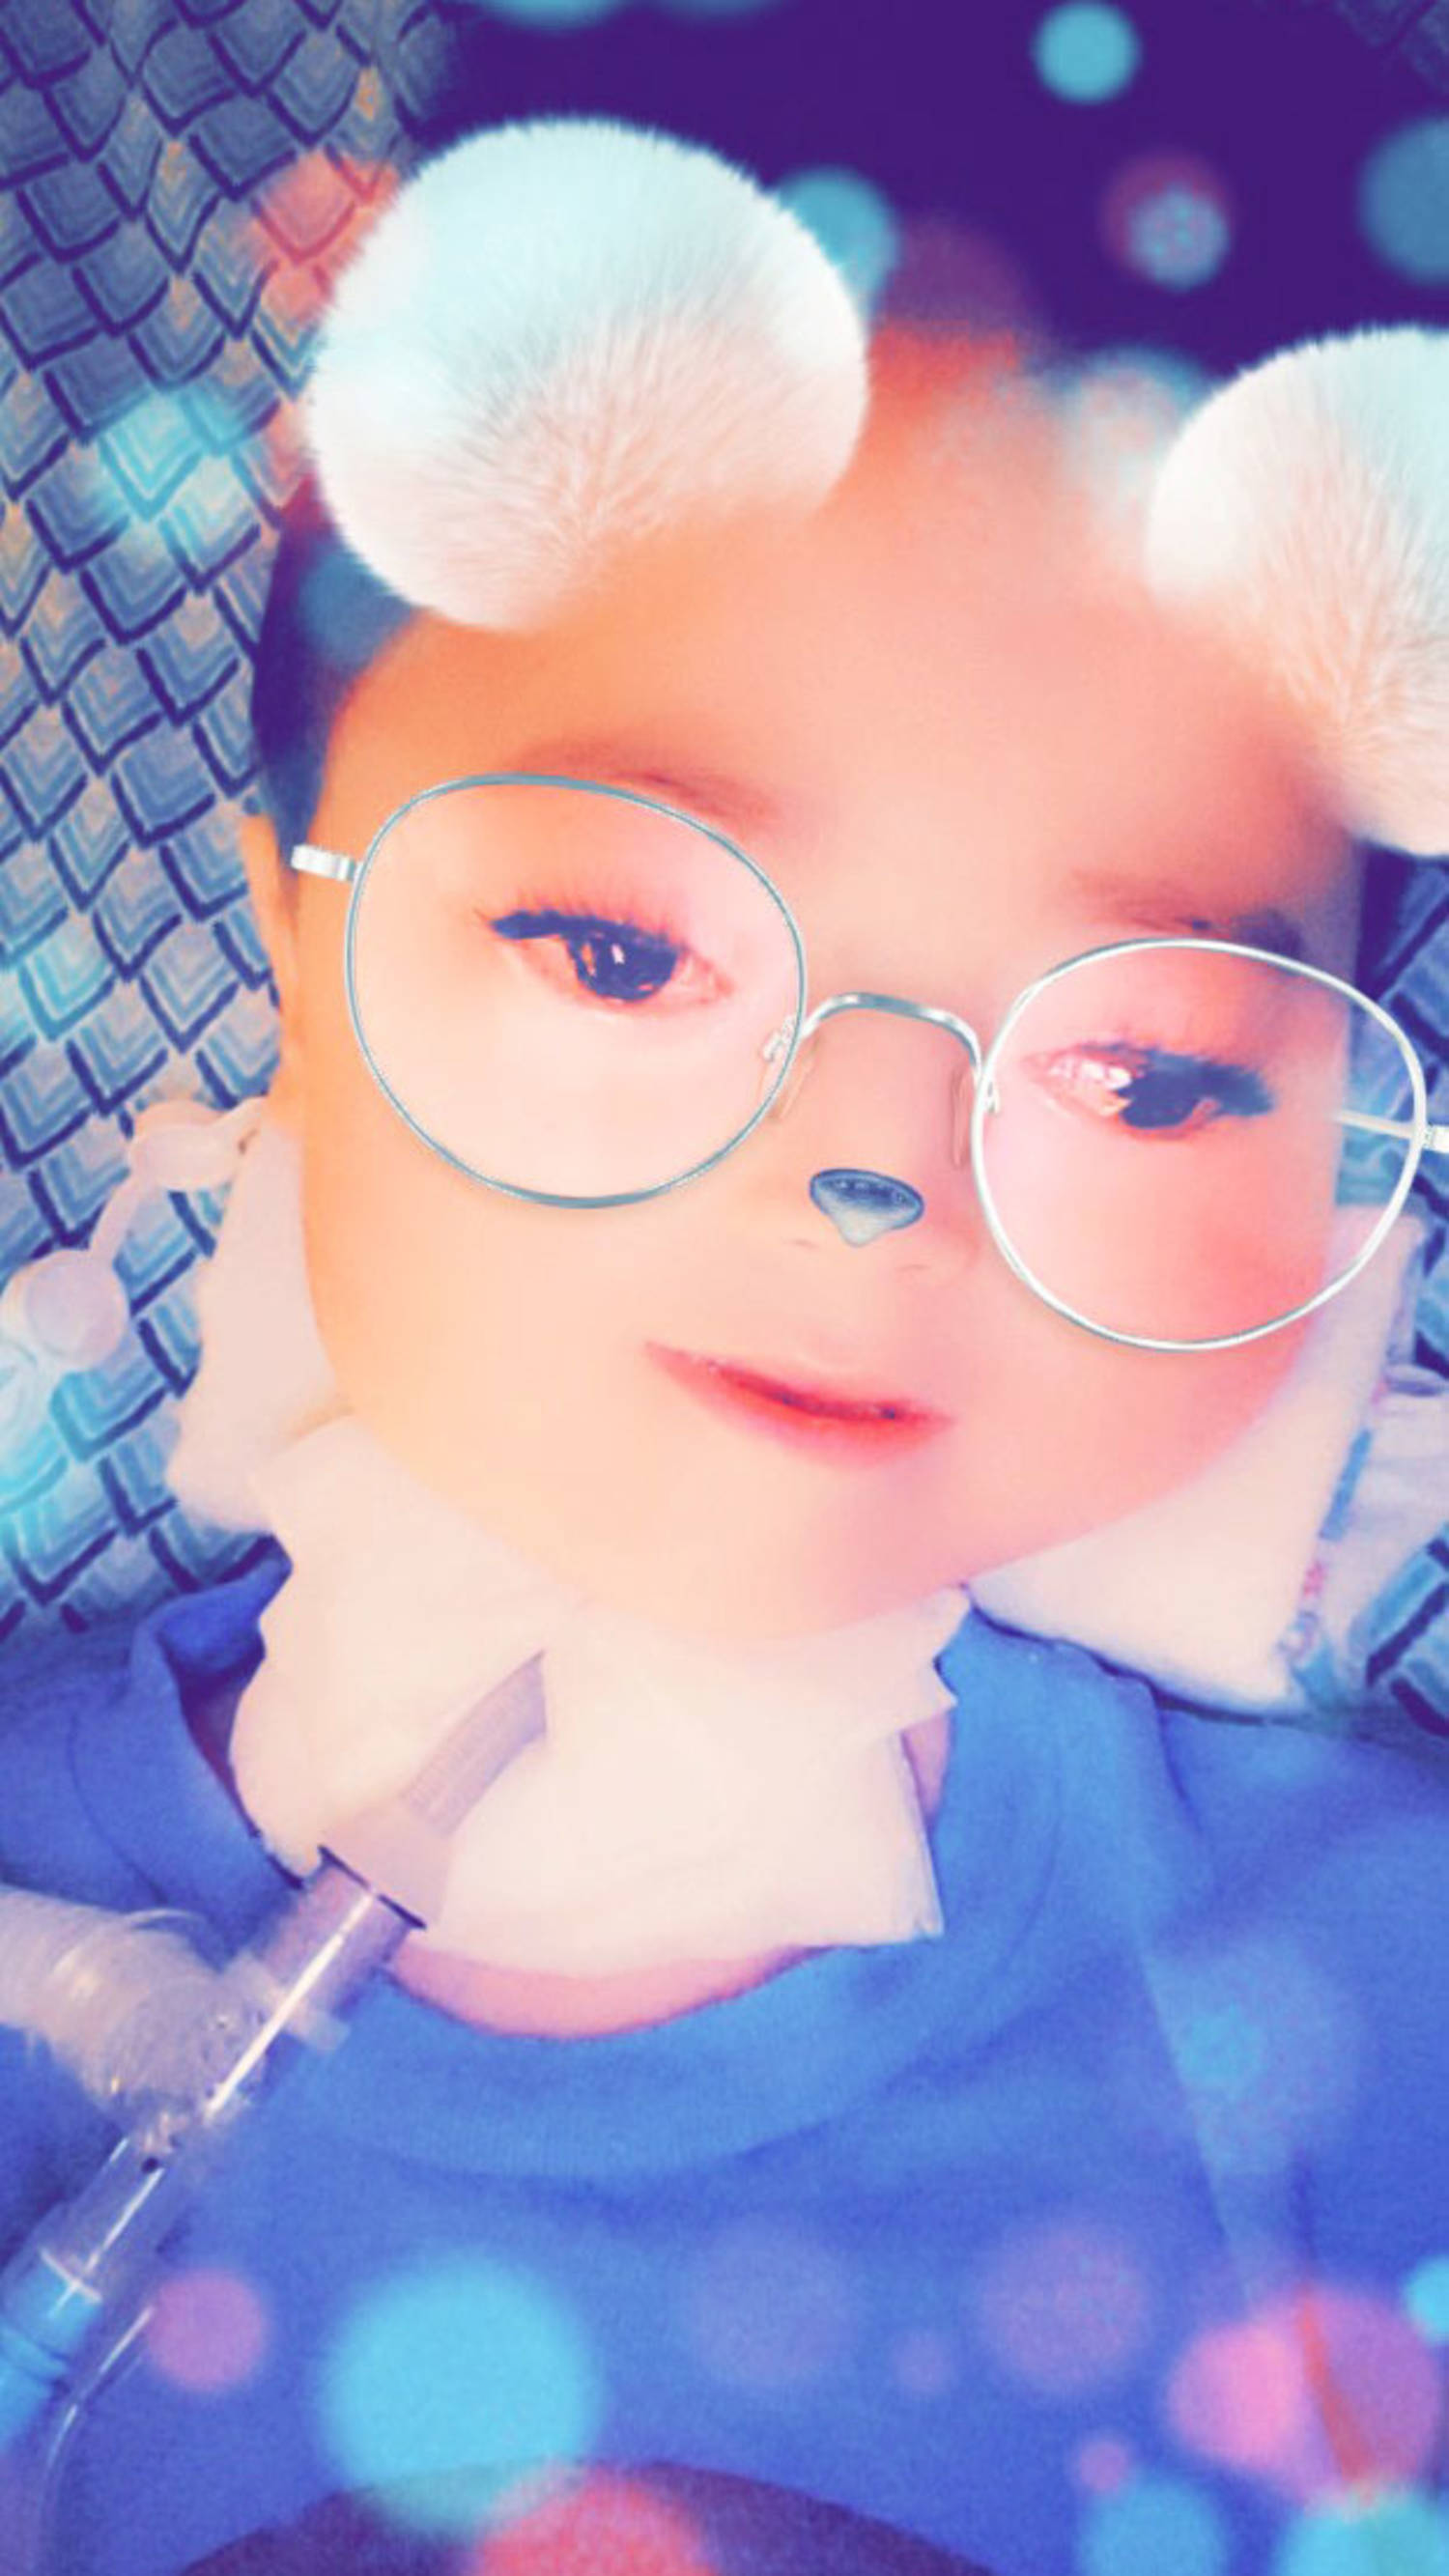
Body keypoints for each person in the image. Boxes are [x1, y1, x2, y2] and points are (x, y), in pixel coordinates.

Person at [1, 116, 1447, 2576]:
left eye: (1142, 1067)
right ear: (293, 937)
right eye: (626, 948)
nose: (872, 1180)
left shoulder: (1377, 2026)